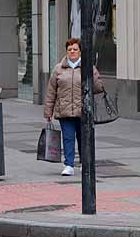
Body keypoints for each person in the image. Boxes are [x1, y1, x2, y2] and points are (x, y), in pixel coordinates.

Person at [44, 38, 105, 177]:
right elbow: (51, 91)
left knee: (84, 139)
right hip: (64, 111)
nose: (72, 52)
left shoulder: (88, 67)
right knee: (68, 138)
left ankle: (85, 163)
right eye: (69, 49)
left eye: (75, 49)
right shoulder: (58, 69)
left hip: (83, 110)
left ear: (80, 51)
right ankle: (69, 165)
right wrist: (48, 111)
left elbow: (99, 87)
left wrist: (92, 73)